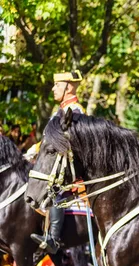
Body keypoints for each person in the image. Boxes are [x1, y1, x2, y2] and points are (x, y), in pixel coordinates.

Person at [30, 70, 85, 254]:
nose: (53, 89)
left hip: (68, 167)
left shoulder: (75, 111)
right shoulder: (60, 110)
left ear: (69, 87)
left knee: (56, 192)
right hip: (54, 161)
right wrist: (35, 149)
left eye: (58, 85)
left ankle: (53, 238)